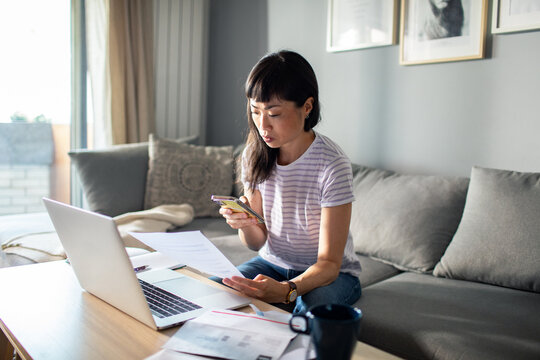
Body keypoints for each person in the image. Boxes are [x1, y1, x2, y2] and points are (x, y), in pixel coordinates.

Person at [217, 50, 362, 314]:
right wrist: (243, 222)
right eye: (255, 111)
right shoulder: (254, 154)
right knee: (218, 291)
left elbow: (329, 264)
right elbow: (255, 243)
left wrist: (287, 289)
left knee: (308, 310)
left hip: (332, 274)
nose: (263, 126)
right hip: (271, 263)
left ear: (307, 107)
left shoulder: (332, 165)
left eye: (274, 114)